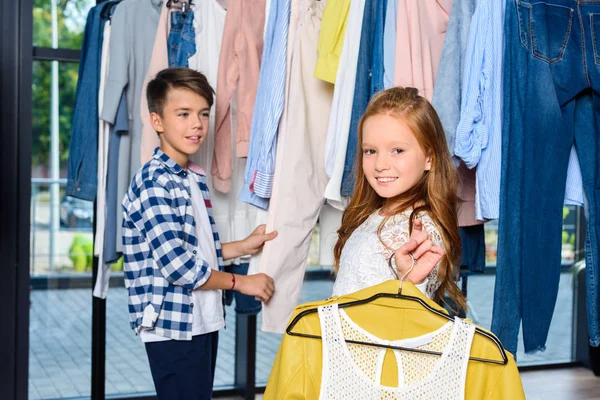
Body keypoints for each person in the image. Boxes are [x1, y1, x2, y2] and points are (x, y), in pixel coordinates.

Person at [121, 67, 277, 399]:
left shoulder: (191, 176)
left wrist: (241, 246)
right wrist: (242, 282)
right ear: (157, 121)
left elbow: (197, 250)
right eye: (184, 114)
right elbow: (179, 267)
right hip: (173, 326)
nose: (197, 124)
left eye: (203, 114)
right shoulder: (153, 182)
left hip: (202, 317)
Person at [332, 86, 465, 311]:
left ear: (429, 158)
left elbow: (410, 321)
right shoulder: (380, 213)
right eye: (370, 151)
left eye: (398, 151)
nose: (381, 165)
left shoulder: (420, 230)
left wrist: (411, 283)